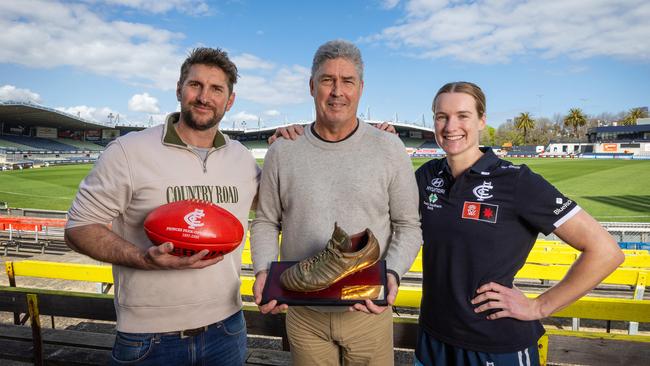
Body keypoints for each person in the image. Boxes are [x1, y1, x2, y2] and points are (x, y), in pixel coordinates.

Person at [64, 47, 260, 366]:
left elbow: (281, 201)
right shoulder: (128, 151)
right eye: (195, 85)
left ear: (230, 100)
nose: (203, 96)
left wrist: (291, 147)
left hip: (227, 329)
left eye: (216, 89)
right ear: (179, 89)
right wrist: (142, 258)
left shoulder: (242, 158)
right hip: (148, 337)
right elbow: (78, 229)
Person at [413, 81, 624, 365]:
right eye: (442, 116)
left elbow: (606, 251)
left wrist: (540, 306)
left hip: (495, 345)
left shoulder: (517, 182)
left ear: (481, 121)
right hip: (433, 339)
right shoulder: (427, 176)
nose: (451, 126)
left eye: (463, 115)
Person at [250, 39, 422, 365]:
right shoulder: (282, 150)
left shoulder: (388, 148)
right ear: (312, 86)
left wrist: (394, 274)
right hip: (304, 313)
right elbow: (266, 221)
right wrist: (263, 271)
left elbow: (407, 225)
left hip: (367, 312)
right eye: (327, 80)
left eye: (347, 81)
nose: (337, 91)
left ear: (361, 88)